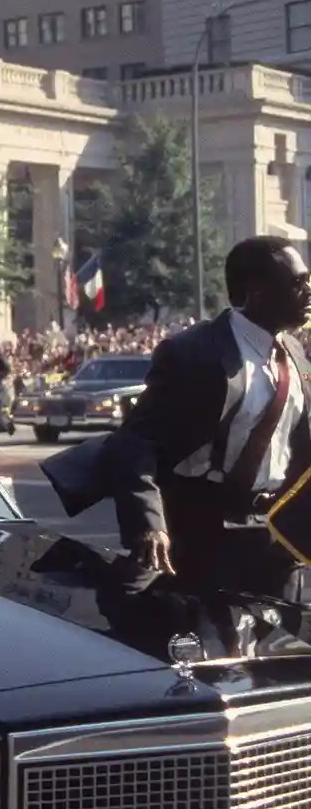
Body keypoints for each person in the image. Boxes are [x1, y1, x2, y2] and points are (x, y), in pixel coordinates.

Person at [103, 235, 311, 599]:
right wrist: (149, 524)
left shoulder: (293, 351)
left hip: (277, 536)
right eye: (297, 282)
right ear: (257, 292)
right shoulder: (194, 353)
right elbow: (135, 442)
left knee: (279, 650)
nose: (309, 291)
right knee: (210, 649)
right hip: (206, 534)